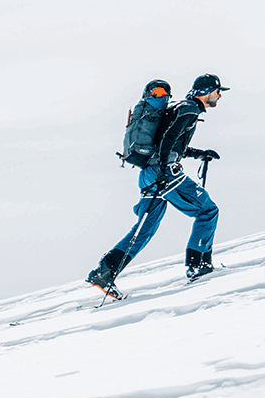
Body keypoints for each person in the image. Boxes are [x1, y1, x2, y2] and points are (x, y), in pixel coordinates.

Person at [87, 73, 226, 297]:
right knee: (208, 210)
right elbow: (168, 139)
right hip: (165, 174)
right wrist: (164, 167)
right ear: (208, 91)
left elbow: (168, 142)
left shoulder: (181, 109)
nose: (219, 96)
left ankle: (105, 270)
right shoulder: (189, 109)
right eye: (218, 91)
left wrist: (200, 153)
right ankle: (198, 265)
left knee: (145, 229)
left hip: (148, 174)